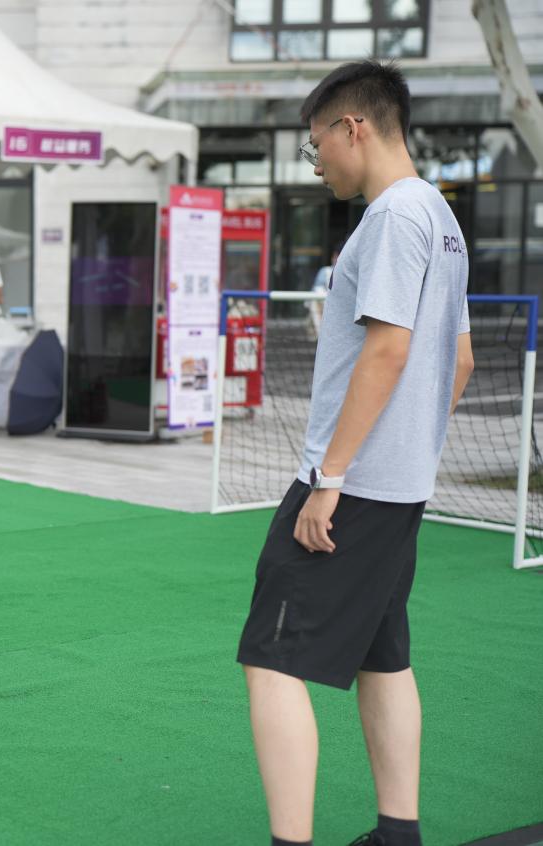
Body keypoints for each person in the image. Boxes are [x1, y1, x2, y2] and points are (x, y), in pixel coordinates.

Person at [237, 60, 473, 846]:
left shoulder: (393, 217)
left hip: (354, 482)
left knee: (271, 657)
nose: (316, 165)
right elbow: (459, 360)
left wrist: (330, 477)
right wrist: (407, 447)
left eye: (315, 146)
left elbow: (387, 350)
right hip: (396, 484)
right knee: (383, 654)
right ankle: (396, 833)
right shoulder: (439, 217)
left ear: (353, 127)